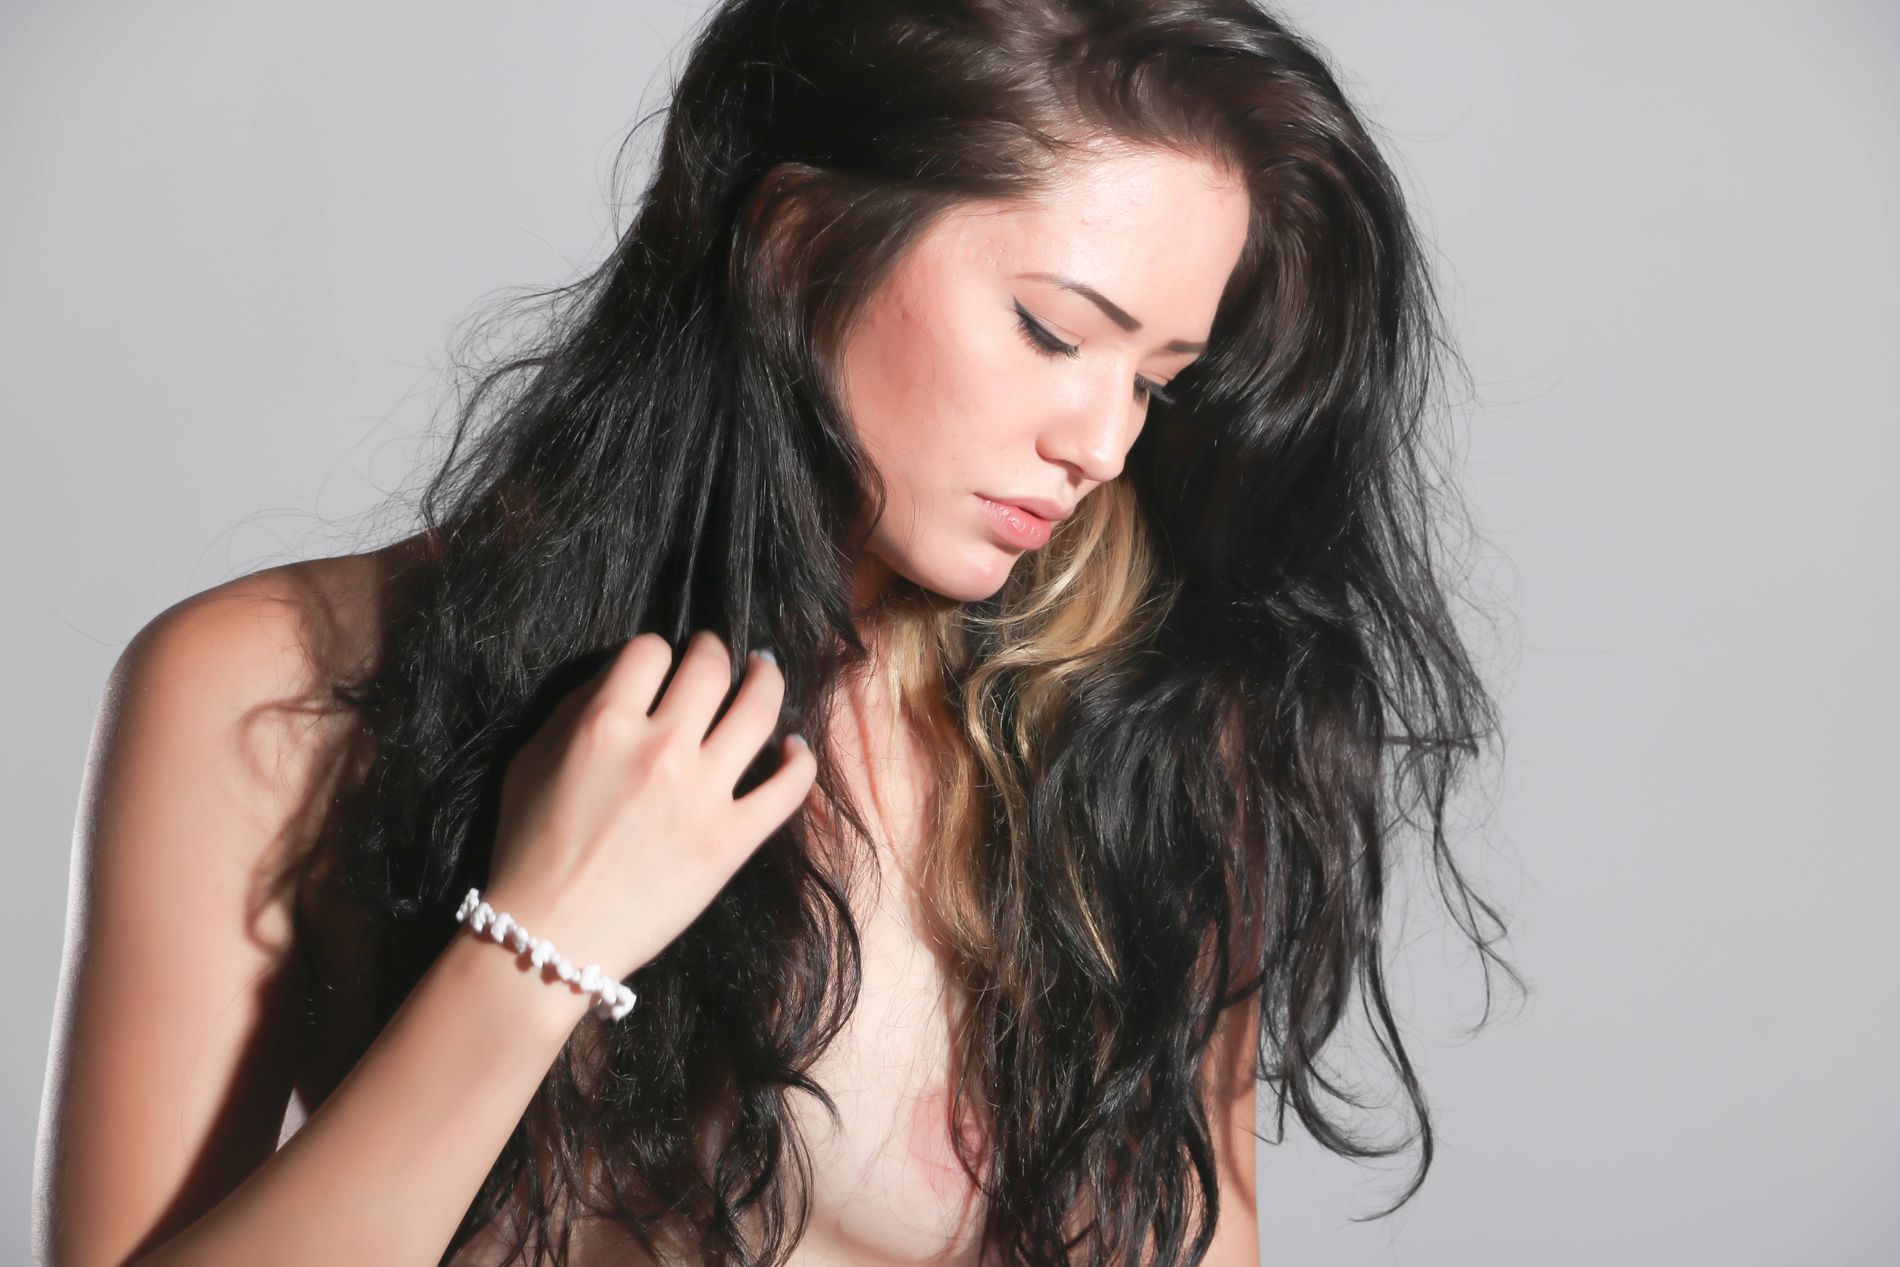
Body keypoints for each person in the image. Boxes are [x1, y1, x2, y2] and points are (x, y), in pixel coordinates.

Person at [33, 0, 1521, 1264]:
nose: (1103, 442)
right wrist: (540, 948)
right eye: (1055, 333)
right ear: (800, 241)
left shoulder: (1135, 737)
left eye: (1158, 379)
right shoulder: (280, 693)